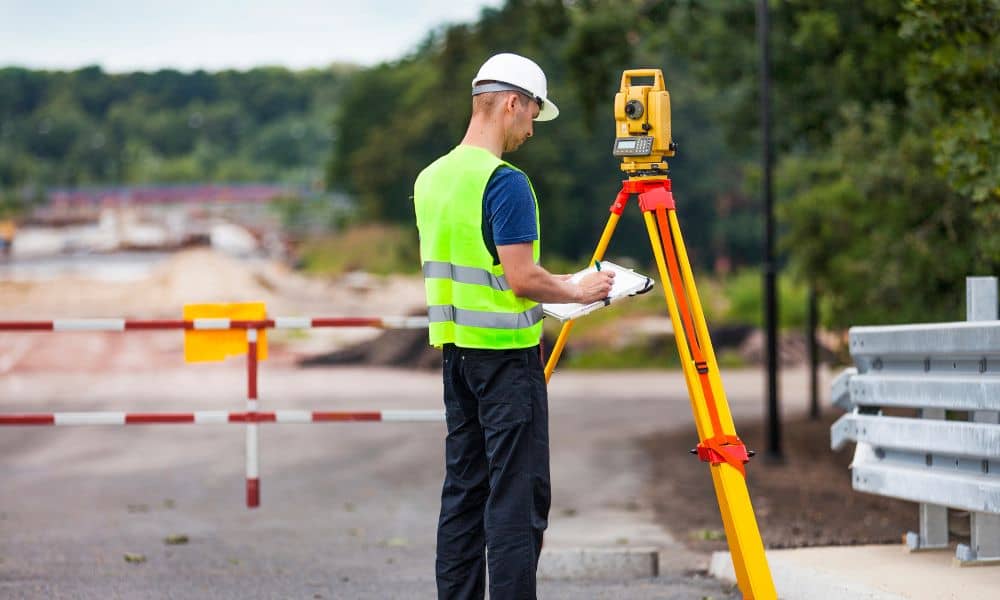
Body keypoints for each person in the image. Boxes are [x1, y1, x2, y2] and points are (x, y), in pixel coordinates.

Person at [413, 53, 615, 600]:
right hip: (505, 360)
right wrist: (579, 291)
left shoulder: (431, 179)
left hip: (456, 356)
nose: (531, 129)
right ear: (511, 103)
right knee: (516, 501)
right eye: (532, 114)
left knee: (464, 494)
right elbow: (521, 278)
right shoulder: (506, 183)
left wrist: (558, 283)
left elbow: (481, 268)